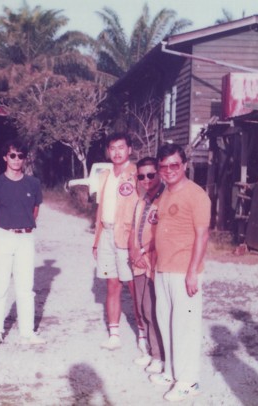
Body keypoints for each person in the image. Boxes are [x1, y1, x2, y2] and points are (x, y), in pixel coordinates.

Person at [150, 143, 210, 402]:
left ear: (184, 164)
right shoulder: (164, 193)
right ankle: (172, 372)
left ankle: (188, 381)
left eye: (174, 164)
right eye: (163, 166)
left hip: (184, 271)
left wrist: (193, 272)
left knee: (185, 327)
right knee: (166, 323)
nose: (169, 170)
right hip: (163, 269)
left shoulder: (196, 195)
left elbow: (202, 235)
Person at [0, 139, 45, 347]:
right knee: (0, 287)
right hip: (3, 237)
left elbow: (34, 212)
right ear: (5, 157)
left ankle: (27, 333)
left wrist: (21, 225)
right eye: (12, 155)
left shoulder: (33, 184)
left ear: (25, 158)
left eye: (20, 156)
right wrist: (8, 225)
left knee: (25, 288)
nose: (16, 159)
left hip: (25, 238)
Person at [91, 133, 142, 351]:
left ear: (129, 149)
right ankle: (114, 334)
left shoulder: (137, 173)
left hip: (127, 235)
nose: (117, 152)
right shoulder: (104, 175)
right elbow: (100, 208)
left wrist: (137, 241)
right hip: (106, 233)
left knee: (134, 286)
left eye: (121, 147)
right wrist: (96, 239)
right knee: (112, 284)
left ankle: (143, 334)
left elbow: (143, 206)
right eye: (112, 148)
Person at [127, 157, 165, 374]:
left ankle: (160, 356)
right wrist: (134, 252)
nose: (146, 180)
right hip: (139, 262)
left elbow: (163, 234)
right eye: (141, 176)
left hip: (154, 262)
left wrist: (142, 251)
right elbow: (133, 230)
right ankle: (150, 351)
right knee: (141, 308)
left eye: (151, 174)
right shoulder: (141, 201)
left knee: (152, 309)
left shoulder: (164, 200)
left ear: (158, 173)